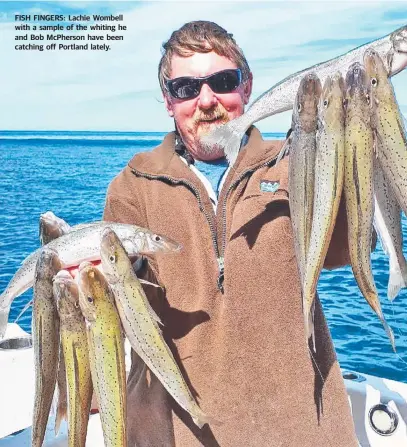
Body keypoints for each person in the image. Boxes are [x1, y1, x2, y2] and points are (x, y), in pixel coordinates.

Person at [103, 20, 358, 446]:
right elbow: (124, 311)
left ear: (246, 86)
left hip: (306, 428)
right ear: (169, 100)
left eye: (222, 81)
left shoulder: (293, 163)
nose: (206, 100)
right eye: (186, 88)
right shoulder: (133, 184)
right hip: (183, 434)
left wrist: (348, 156)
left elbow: (346, 249)